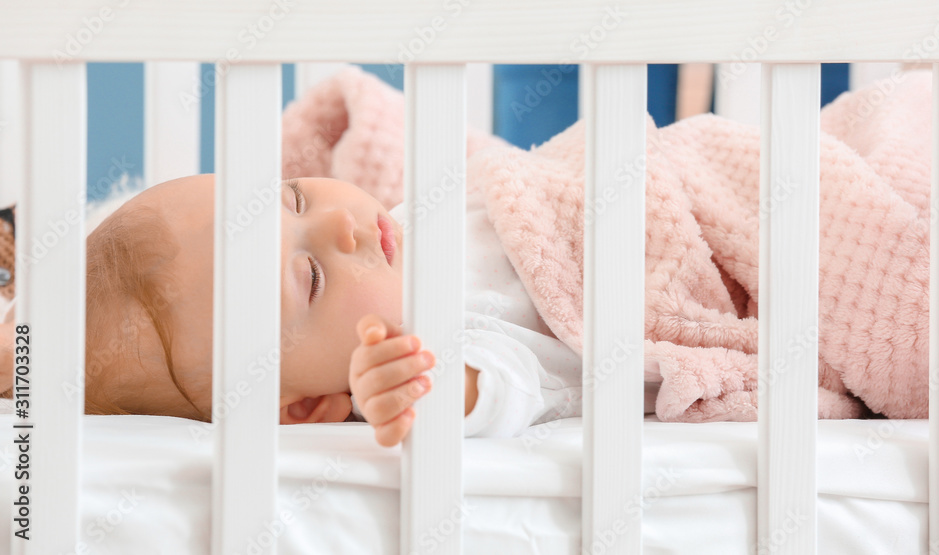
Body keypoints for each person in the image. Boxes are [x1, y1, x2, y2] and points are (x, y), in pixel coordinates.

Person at [0, 173, 595, 446]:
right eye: (309, 276)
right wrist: (410, 388)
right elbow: (511, 387)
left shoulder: (401, 232)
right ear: (307, 405)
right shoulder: (441, 332)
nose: (339, 221)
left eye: (291, 197)